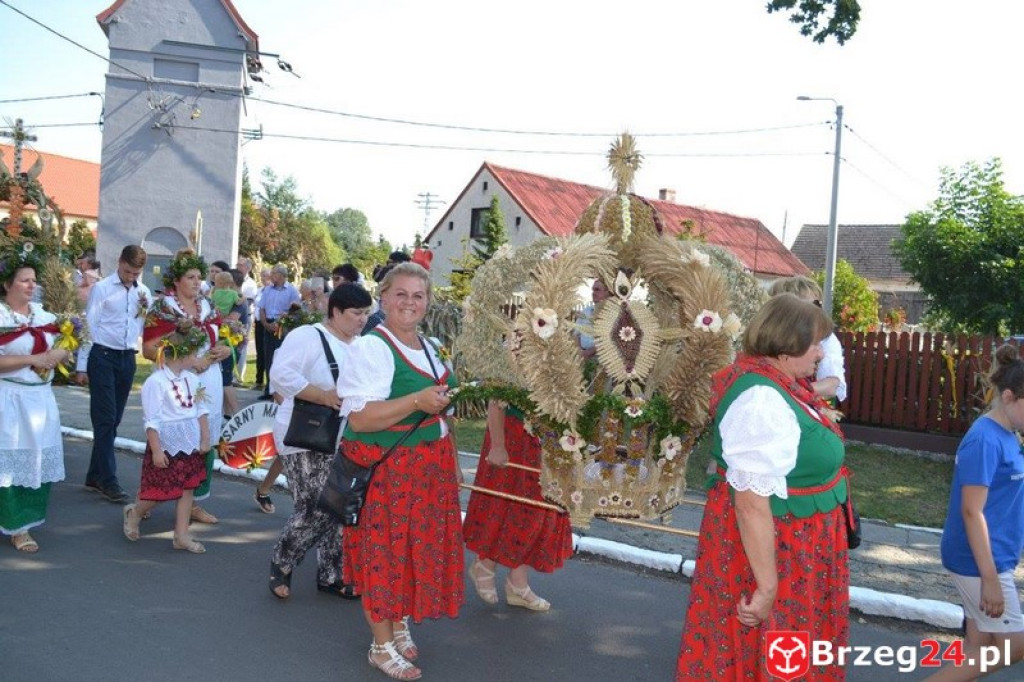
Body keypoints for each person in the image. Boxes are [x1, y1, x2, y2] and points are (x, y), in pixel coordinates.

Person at [676, 293, 848, 680]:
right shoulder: (760, 399)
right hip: (778, 549)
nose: (820, 353)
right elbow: (751, 504)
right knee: (769, 650)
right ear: (787, 345)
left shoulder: (778, 383)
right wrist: (768, 587)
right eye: (815, 342)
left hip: (797, 546)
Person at [338, 262, 462, 680]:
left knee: (413, 550)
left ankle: (399, 618)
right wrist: (416, 403)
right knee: (384, 553)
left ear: (427, 302)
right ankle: (380, 644)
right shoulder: (372, 347)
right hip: (390, 472)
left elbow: (442, 405)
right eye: (401, 294)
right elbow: (360, 420)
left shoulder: (429, 344)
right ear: (384, 298)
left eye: (419, 295)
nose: (410, 302)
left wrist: (453, 460)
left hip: (430, 468)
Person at [923, 344, 1024, 681]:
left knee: (977, 650)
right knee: (1014, 646)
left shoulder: (1009, 434)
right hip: (979, 562)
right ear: (1008, 396)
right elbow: (971, 511)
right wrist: (991, 580)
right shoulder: (985, 439)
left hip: (992, 557)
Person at [266, 283, 372, 600]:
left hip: (343, 437)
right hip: (304, 434)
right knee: (316, 507)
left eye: (366, 313)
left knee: (341, 506)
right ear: (336, 311)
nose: (362, 320)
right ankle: (282, 561)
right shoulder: (308, 337)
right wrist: (323, 395)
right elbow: (280, 374)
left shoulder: (361, 345)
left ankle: (332, 574)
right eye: (356, 313)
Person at [142, 249, 231, 525]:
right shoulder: (163, 308)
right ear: (176, 280)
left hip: (209, 380)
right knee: (171, 443)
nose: (197, 282)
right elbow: (148, 349)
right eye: (190, 277)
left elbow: (222, 338)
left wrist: (224, 350)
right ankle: (146, 503)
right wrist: (189, 360)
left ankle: (194, 502)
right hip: (177, 381)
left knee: (205, 441)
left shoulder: (209, 307)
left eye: (199, 277)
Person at [463, 399, 572, 611]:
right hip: (514, 436)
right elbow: (498, 393)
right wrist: (497, 444)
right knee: (507, 504)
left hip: (550, 437)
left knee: (540, 511)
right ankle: (485, 563)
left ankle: (517, 582)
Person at [0, 247, 71, 552]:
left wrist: (61, 353)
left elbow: (67, 342)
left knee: (36, 460)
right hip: (9, 398)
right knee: (8, 462)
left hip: (40, 400)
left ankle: (24, 524)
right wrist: (36, 358)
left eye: (33, 280)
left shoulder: (45, 316)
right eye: (24, 280)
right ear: (7, 284)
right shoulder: (2, 317)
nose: (31, 285)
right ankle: (13, 522)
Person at [122, 321, 210, 553]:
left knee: (187, 488)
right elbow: (151, 420)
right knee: (163, 490)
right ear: (181, 355)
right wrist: (157, 450)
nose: (198, 357)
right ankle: (135, 512)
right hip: (167, 444)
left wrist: (205, 438)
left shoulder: (193, 380)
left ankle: (181, 535)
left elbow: (201, 410)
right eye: (194, 353)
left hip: (189, 442)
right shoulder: (156, 382)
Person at [75, 245, 151, 504]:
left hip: (127, 358)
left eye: (136, 273)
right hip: (102, 357)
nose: (131, 277)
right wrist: (82, 365)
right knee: (105, 419)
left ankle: (94, 475)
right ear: (119, 262)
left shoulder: (143, 292)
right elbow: (89, 325)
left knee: (114, 420)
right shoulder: (103, 288)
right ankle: (109, 480)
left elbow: (140, 323)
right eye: (128, 271)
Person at [768, 276, 847, 402]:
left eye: (818, 304)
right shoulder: (768, 335)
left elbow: (832, 385)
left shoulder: (825, 338)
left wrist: (792, 390)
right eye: (813, 305)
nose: (818, 310)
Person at [256, 264, 300, 400]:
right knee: (268, 357)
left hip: (283, 327)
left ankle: (280, 391)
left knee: (280, 358)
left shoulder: (291, 290)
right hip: (268, 324)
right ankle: (269, 390)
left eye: (274, 273)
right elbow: (261, 308)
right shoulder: (267, 290)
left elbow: (295, 310)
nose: (271, 276)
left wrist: (283, 322)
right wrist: (265, 324)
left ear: (281, 275)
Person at [234, 257, 259, 383]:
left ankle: (239, 376)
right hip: (233, 315)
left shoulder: (250, 284)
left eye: (240, 265)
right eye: (237, 264)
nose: (237, 266)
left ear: (247, 268)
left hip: (245, 316)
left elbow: (248, 302)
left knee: (242, 345)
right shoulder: (233, 279)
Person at [252, 267, 272, 391]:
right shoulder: (260, 290)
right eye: (262, 275)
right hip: (258, 323)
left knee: (267, 352)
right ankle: (258, 380)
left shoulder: (271, 291)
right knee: (259, 352)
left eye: (265, 275)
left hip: (267, 323)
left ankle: (268, 381)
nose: (262, 278)